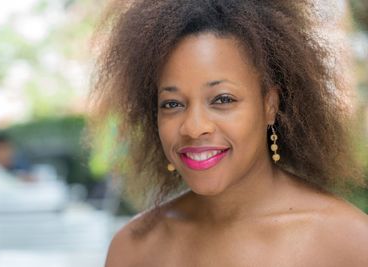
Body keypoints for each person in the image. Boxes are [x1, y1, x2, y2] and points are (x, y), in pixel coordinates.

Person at [90, 1, 368, 266]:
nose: (194, 127)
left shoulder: (349, 243)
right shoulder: (133, 249)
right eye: (173, 104)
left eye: (222, 99)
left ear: (270, 105)